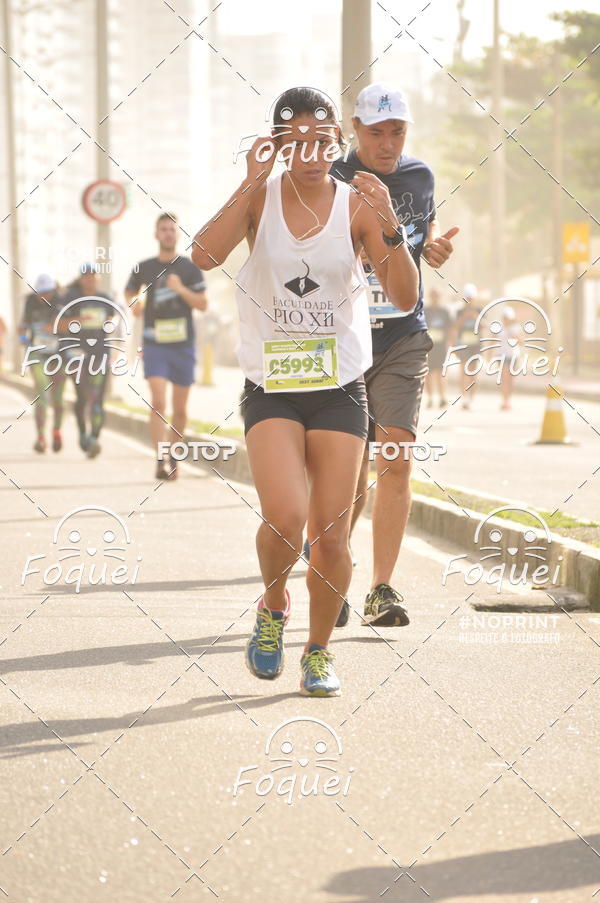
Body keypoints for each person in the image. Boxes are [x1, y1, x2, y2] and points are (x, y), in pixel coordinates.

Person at [191, 86, 418, 697]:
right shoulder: (259, 199)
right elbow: (202, 256)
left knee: (331, 533)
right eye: (299, 140)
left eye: (324, 140)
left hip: (340, 388)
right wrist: (248, 181)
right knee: (287, 518)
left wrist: (390, 220)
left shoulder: (358, 204)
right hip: (273, 388)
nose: (313, 151)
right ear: (280, 141)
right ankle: (272, 606)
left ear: (337, 143)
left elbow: (403, 297)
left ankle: (318, 653)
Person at [330, 82, 457, 628]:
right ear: (353, 130)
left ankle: (381, 588)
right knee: (349, 473)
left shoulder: (419, 176)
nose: (387, 143)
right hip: (341, 338)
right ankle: (331, 575)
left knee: (397, 456)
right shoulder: (330, 179)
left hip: (403, 334)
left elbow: (421, 232)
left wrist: (431, 245)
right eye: (376, 132)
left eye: (397, 132)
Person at [125, 213, 208, 480]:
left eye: (172, 230)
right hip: (154, 343)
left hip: (183, 345)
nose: (168, 234)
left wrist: (180, 289)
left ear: (177, 234)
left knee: (181, 409)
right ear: (156, 234)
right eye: (163, 229)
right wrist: (134, 303)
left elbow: (203, 304)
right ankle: (160, 458)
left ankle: (174, 455)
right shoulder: (145, 266)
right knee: (159, 401)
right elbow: (129, 291)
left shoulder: (188, 268)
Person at [59, 264, 119, 458]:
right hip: (76, 354)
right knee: (82, 397)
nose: (90, 279)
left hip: (100, 353)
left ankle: (94, 438)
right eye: (86, 276)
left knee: (97, 397)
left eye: (93, 276)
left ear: (98, 278)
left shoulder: (105, 299)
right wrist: (79, 320)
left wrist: (110, 324)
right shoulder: (70, 298)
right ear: (81, 278)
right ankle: (83, 434)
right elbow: (60, 325)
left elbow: (114, 320)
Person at [19, 274, 66, 453]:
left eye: (46, 292)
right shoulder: (30, 302)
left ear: (53, 290)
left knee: (58, 398)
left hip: (59, 355)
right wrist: (22, 335)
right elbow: (23, 324)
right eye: (40, 293)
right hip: (37, 353)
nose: (43, 297)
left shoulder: (61, 300)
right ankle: (40, 437)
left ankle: (56, 431)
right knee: (42, 391)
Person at [450, 283, 482, 410]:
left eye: (471, 298)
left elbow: (485, 326)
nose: (469, 300)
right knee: (463, 371)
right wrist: (464, 316)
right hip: (463, 345)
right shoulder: (459, 311)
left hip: (476, 344)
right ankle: (464, 397)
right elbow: (455, 327)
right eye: (467, 298)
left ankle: (472, 399)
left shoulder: (479, 310)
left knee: (473, 373)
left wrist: (476, 317)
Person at [424, 288, 452, 407]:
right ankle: (430, 398)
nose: (435, 298)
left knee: (441, 372)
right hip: (429, 346)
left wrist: (450, 343)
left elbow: (450, 328)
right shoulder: (426, 311)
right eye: (433, 295)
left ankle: (442, 397)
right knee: (428, 373)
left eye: (437, 296)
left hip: (441, 346)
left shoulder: (444, 311)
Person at [494, 305, 520, 411]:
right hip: (501, 355)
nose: (506, 319)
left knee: (510, 379)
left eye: (508, 317)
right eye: (504, 317)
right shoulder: (498, 327)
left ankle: (508, 399)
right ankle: (504, 400)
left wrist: (512, 333)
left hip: (513, 355)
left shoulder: (515, 328)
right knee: (504, 378)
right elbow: (493, 340)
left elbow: (521, 342)